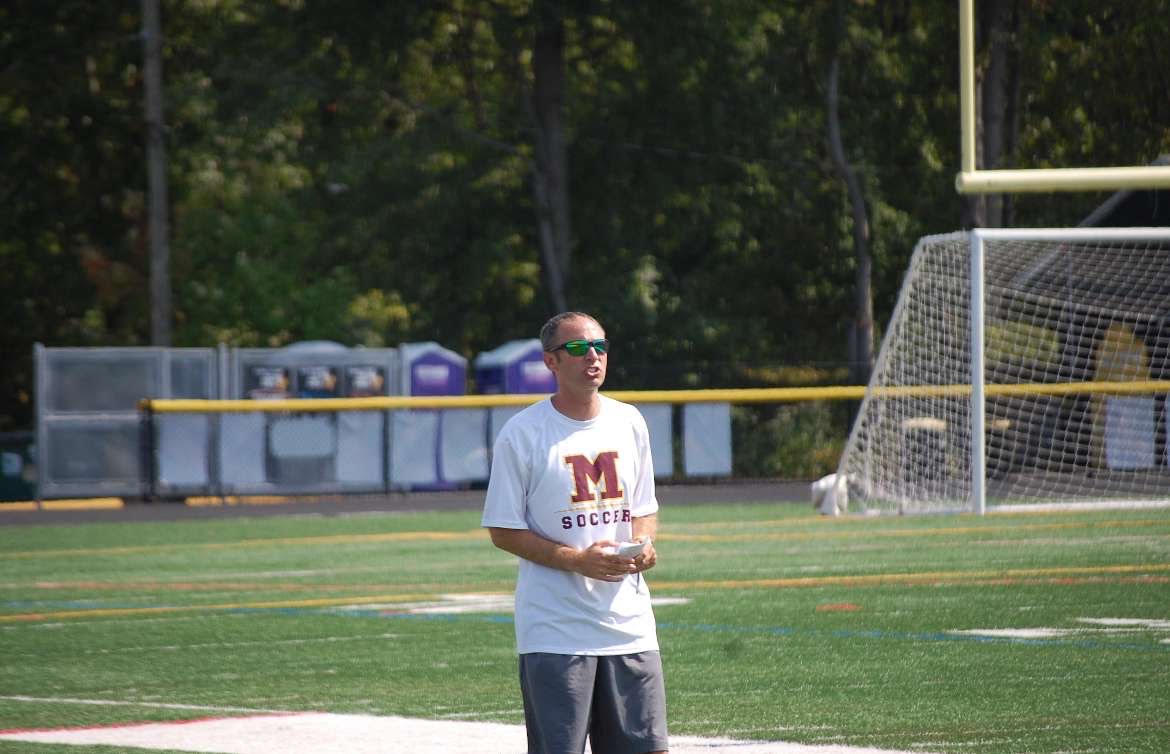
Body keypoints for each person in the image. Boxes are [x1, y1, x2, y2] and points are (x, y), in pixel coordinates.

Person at [482, 311, 668, 754]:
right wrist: (577, 561)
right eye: (579, 349)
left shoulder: (630, 422)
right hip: (555, 629)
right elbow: (503, 530)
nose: (594, 358)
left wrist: (644, 545)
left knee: (648, 748)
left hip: (629, 624)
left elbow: (644, 508)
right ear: (551, 363)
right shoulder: (522, 434)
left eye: (600, 347)